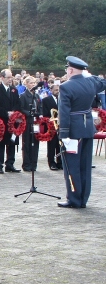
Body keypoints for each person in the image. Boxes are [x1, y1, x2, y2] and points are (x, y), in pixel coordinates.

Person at [57, 56, 106, 208]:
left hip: (72, 130)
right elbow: (103, 83)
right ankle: (83, 198)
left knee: (72, 166)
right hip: (87, 128)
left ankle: (74, 199)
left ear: (70, 70)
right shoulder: (91, 82)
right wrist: (89, 74)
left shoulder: (66, 87)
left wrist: (63, 133)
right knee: (85, 165)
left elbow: (63, 113)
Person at [0, 69, 22, 173]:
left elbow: (18, 103)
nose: (10, 79)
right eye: (8, 77)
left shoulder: (14, 90)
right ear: (2, 78)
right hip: (2, 120)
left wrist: (15, 113)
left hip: (13, 121)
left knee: (12, 142)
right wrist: (6, 113)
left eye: (11, 77)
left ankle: (10, 164)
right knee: (1, 143)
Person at [19, 76, 43, 172]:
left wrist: (39, 114)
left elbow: (40, 106)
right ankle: (27, 164)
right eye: (31, 83)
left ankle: (34, 164)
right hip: (27, 121)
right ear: (26, 84)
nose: (33, 85)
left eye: (34, 83)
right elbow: (21, 108)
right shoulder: (23, 95)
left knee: (35, 142)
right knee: (27, 143)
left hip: (35, 122)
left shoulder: (37, 96)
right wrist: (29, 113)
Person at [42, 83, 62, 170]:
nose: (57, 92)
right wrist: (53, 118)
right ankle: (51, 163)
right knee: (51, 145)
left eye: (58, 90)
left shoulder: (62, 99)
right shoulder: (46, 100)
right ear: (51, 90)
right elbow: (45, 113)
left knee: (60, 145)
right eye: (56, 90)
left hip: (61, 126)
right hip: (51, 126)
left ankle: (60, 162)